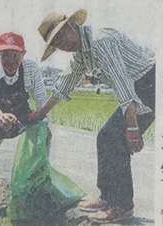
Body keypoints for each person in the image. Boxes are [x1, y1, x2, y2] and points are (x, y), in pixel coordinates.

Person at [33, 9, 155, 223]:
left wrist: (133, 127)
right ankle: (108, 198)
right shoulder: (82, 52)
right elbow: (64, 84)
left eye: (62, 36)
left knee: (113, 137)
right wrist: (40, 113)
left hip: (150, 84)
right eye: (57, 43)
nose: (63, 44)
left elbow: (122, 83)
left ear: (72, 26)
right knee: (106, 136)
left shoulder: (99, 41)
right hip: (137, 88)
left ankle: (122, 206)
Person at [0, 32, 49, 221]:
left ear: (23, 54)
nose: (10, 60)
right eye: (5, 54)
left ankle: (33, 200)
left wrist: (45, 125)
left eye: (15, 55)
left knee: (42, 143)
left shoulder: (31, 69)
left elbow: (41, 97)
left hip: (22, 112)